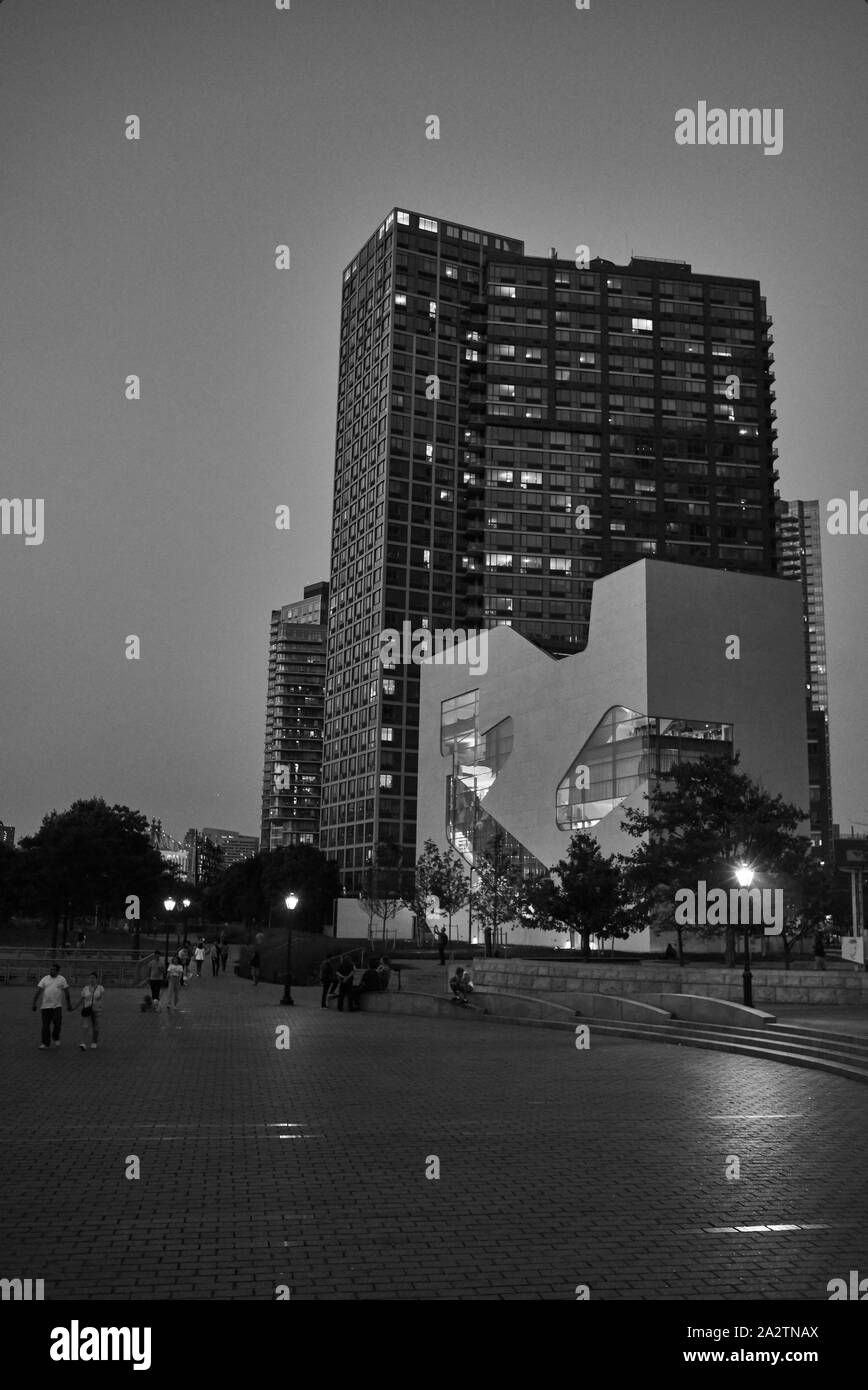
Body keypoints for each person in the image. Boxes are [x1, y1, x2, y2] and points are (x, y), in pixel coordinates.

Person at [32, 963, 72, 1047]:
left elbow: (67, 992)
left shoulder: (62, 979)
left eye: (53, 969)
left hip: (57, 1006)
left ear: (58, 971)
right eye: (51, 969)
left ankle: (56, 1037)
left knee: (57, 1023)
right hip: (45, 1006)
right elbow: (38, 991)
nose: (51, 971)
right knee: (45, 1026)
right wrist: (34, 1003)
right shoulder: (45, 979)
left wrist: (69, 1004)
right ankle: (45, 1043)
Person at [77, 972, 105, 1049]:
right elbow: (82, 999)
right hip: (87, 1009)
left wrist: (100, 1007)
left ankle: (94, 1041)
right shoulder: (85, 988)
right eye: (90, 978)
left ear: (96, 979)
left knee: (95, 1026)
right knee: (85, 1025)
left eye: (93, 978)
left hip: (96, 1009)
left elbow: (101, 998)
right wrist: (75, 1007)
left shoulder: (100, 988)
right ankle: (83, 1043)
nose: (91, 979)